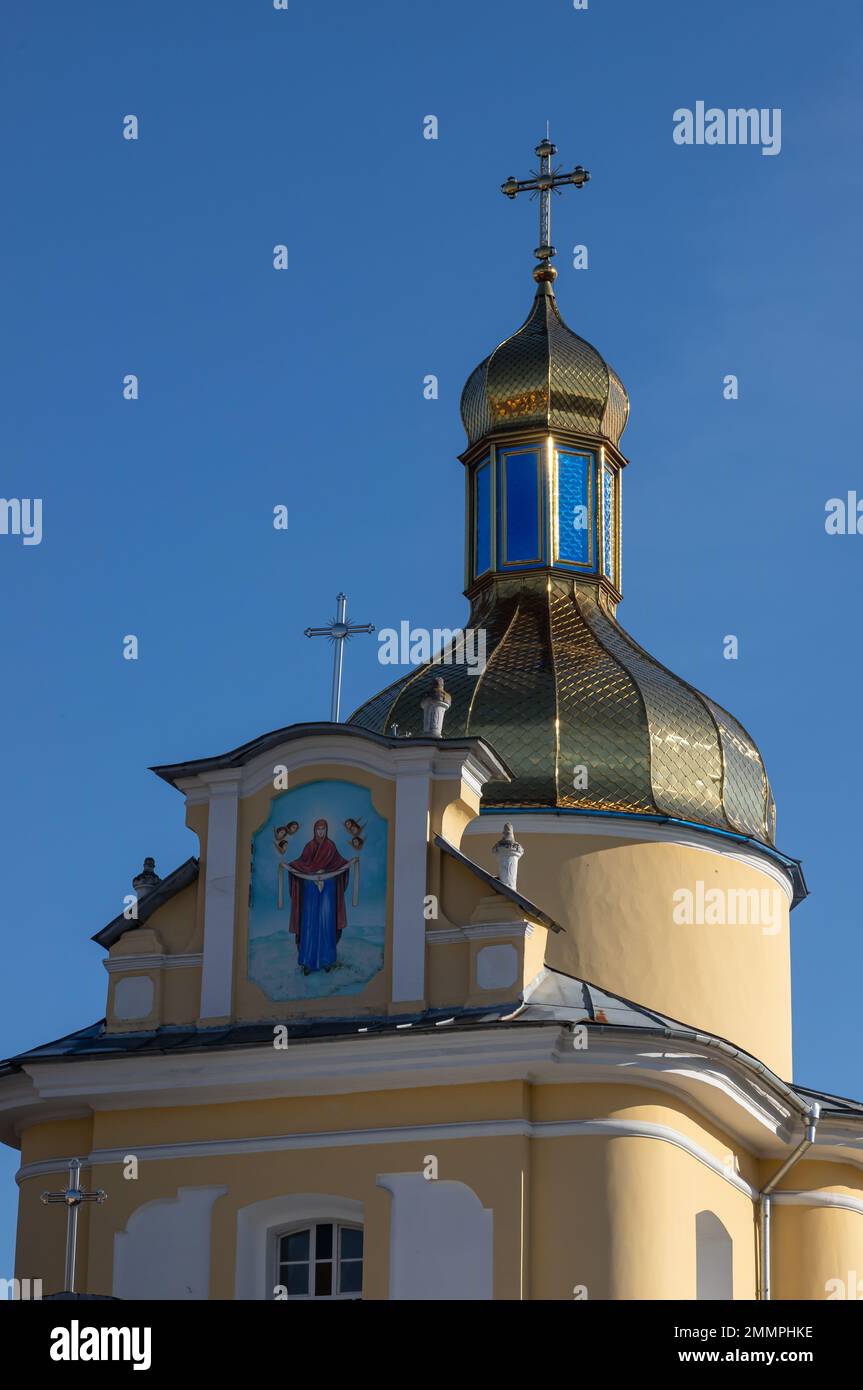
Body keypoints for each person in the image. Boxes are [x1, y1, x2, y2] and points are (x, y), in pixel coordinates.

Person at [286, 819, 350, 975]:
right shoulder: (309, 847)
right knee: (309, 924)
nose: (321, 832)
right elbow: (302, 864)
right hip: (310, 891)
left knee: (326, 923)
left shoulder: (331, 846)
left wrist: (350, 863)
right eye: (318, 829)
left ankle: (327, 960)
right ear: (314, 830)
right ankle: (307, 961)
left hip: (328, 890)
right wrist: (290, 866)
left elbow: (339, 864)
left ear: (326, 830)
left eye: (323, 829)